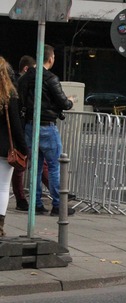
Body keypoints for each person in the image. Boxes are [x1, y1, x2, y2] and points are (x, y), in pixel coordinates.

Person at [18, 44, 74, 216]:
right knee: (55, 166)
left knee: (35, 167)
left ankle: (36, 204)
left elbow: (21, 100)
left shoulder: (25, 78)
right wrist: (70, 101)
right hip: (47, 126)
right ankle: (58, 205)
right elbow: (63, 103)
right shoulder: (50, 78)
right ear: (50, 58)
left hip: (29, 126)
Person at [0, 57, 30, 236]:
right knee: (3, 187)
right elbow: (16, 126)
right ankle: (0, 225)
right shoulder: (9, 96)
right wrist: (24, 148)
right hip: (4, 148)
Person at [11, 55, 35, 211]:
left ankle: (21, 199)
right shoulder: (20, 85)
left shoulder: (17, 85)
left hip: (20, 128)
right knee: (24, 164)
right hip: (21, 128)